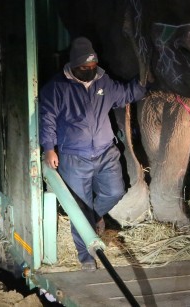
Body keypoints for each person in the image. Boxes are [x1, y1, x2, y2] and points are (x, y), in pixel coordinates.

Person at [39, 37, 147, 269]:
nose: (89, 71)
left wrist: (144, 82)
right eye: (83, 68)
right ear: (73, 65)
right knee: (80, 206)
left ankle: (93, 217)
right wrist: (49, 149)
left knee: (115, 191)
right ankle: (86, 256)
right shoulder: (56, 88)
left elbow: (127, 94)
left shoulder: (104, 82)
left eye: (92, 66)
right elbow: (46, 119)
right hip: (73, 156)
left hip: (105, 152)